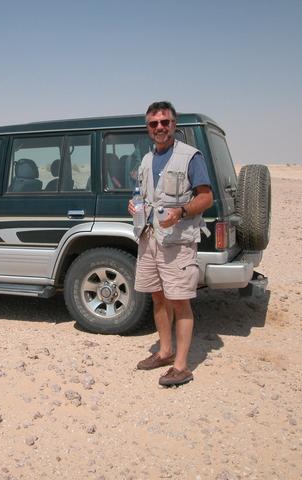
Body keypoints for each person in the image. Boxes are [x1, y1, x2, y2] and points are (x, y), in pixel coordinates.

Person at [128, 101, 213, 387]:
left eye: (165, 122)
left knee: (180, 301)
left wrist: (182, 211)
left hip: (178, 241)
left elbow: (206, 197)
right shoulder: (146, 160)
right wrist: (134, 205)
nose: (160, 127)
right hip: (150, 238)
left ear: (174, 125)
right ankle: (164, 352)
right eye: (154, 124)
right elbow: (144, 195)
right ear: (148, 129)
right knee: (157, 296)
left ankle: (181, 366)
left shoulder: (191, 157)